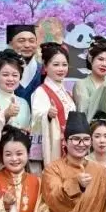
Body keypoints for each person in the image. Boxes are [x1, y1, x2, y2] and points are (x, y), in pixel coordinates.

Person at [29, 42, 77, 172]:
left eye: (64, 65)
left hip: (69, 145)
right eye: (56, 65)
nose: (61, 69)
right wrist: (47, 115)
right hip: (53, 147)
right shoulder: (41, 91)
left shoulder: (66, 93)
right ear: (45, 67)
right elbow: (36, 118)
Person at [0, 49, 31, 172]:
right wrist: (6, 115)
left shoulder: (23, 103)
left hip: (18, 160)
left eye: (15, 75)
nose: (10, 79)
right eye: (5, 75)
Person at [0, 24, 41, 100]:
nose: (27, 45)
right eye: (21, 41)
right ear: (10, 43)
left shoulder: (44, 71)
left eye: (32, 41)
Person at [73, 36, 106, 117]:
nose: (104, 64)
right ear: (91, 59)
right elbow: (83, 113)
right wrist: (104, 87)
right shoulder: (81, 84)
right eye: (100, 59)